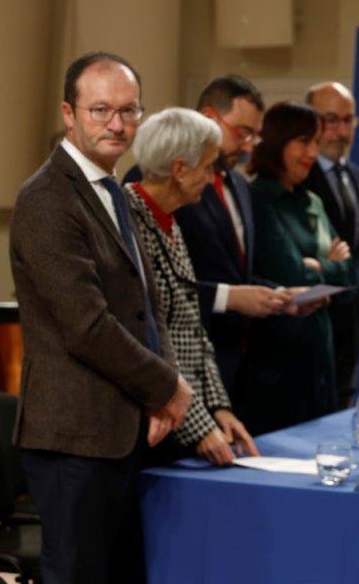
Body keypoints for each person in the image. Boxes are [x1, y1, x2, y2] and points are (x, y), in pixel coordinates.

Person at [10, 52, 193, 584]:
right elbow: (86, 327)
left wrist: (165, 386)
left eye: (129, 110)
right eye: (101, 110)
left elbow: (148, 305)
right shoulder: (46, 198)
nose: (117, 124)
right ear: (69, 114)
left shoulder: (116, 191)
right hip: (75, 437)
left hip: (127, 428)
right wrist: (167, 387)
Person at [124, 75, 292, 397]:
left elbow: (233, 271)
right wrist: (229, 297)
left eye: (254, 136)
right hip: (170, 377)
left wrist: (276, 294)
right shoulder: (145, 193)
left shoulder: (237, 186)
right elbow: (156, 302)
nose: (249, 146)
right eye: (242, 132)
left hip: (227, 366)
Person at [125, 107, 261, 466]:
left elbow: (192, 328)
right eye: (207, 167)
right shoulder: (127, 222)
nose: (211, 178)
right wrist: (200, 427)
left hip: (185, 416)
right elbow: (154, 339)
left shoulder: (171, 221)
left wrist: (218, 407)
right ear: (179, 169)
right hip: (154, 426)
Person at [244, 102, 356, 434]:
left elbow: (350, 278)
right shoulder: (258, 199)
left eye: (315, 143)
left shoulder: (313, 202)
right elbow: (291, 277)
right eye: (304, 141)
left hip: (321, 355)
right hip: (276, 360)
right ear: (278, 141)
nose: (312, 153)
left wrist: (316, 267)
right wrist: (330, 266)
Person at [303, 81, 359, 407]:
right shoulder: (298, 177)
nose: (340, 131)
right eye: (330, 120)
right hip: (310, 322)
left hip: (349, 323)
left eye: (347, 120)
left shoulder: (356, 176)